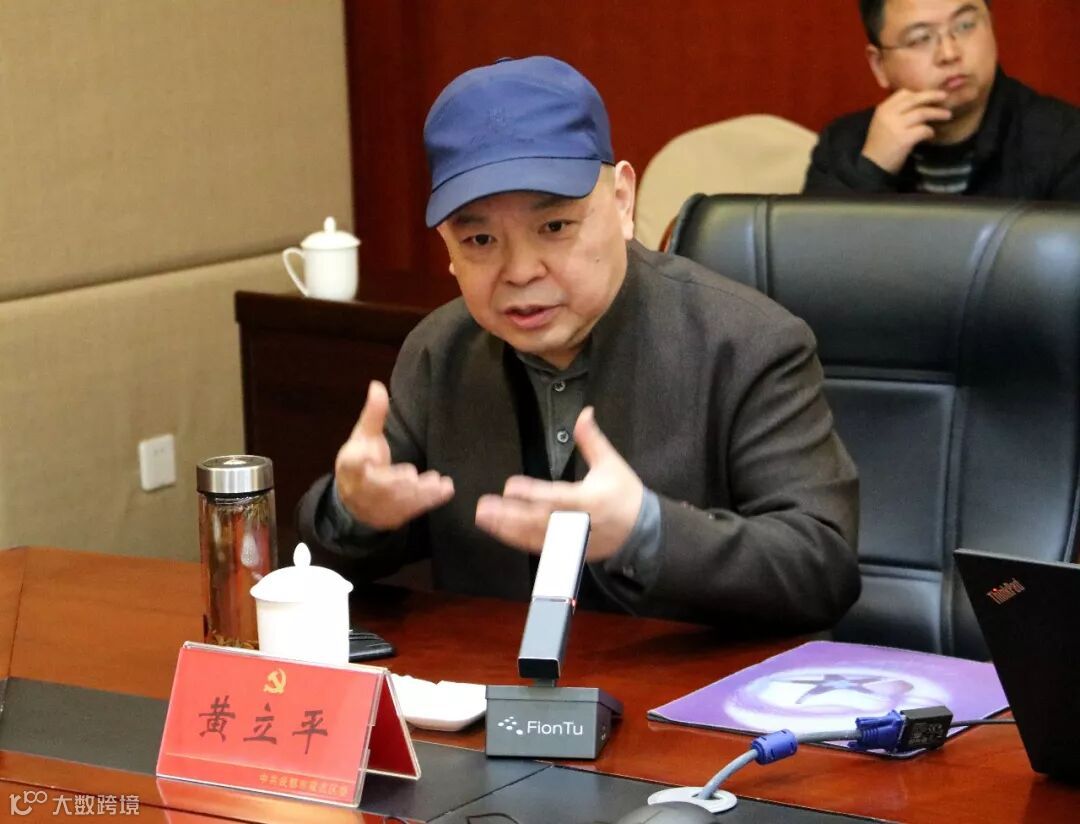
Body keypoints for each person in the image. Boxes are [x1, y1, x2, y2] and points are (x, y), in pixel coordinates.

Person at [297, 56, 860, 632]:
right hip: (490, 680)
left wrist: (645, 531)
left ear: (622, 202)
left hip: (692, 683)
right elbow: (327, 566)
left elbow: (821, 566)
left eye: (554, 227)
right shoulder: (440, 351)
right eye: (481, 239)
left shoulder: (746, 343)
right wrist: (357, 512)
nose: (520, 271)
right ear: (447, 246)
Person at [804, 0, 1080, 199]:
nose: (949, 53)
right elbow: (813, 255)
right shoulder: (844, 145)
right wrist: (870, 171)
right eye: (920, 39)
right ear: (879, 66)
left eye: (965, 25)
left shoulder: (1065, 141)